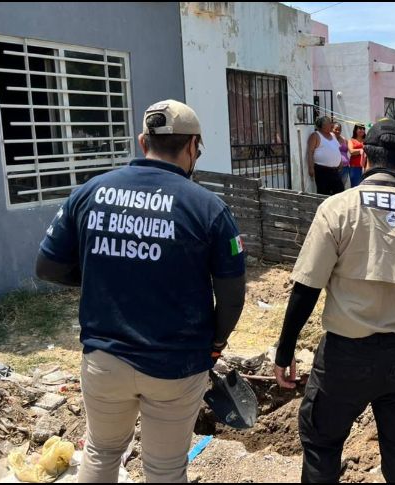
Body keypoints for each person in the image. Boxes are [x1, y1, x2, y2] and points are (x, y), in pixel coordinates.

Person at [35, 100, 247, 482]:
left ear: (142, 141)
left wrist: (107, 275)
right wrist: (216, 344)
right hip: (176, 367)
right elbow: (232, 295)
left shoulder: (91, 192)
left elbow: (47, 266)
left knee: (100, 453)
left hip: (105, 360)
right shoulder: (208, 208)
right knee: (165, 468)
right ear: (192, 146)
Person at [273, 118, 395, 483]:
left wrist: (285, 349)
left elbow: (307, 286)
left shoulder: (337, 209)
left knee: (322, 445)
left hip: (344, 356)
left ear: (365, 159)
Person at [307, 116, 344, 195]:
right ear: (323, 125)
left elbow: (337, 149)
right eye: (329, 123)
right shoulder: (315, 135)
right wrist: (311, 167)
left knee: (339, 193)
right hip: (322, 171)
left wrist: (340, 161)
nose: (331, 125)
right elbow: (310, 152)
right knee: (324, 194)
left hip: (335, 170)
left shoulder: (333, 135)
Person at [333, 122, 351, 189]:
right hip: (335, 168)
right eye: (336, 129)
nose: (338, 131)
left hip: (345, 167)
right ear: (332, 129)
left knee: (342, 187)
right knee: (335, 187)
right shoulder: (330, 139)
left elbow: (347, 151)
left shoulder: (344, 139)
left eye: (339, 130)